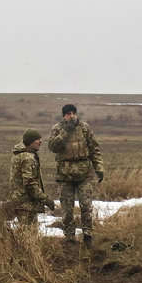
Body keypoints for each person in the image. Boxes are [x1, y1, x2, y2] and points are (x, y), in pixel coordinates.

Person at [47, 103, 105, 246]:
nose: (72, 116)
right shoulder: (57, 129)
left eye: (74, 113)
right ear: (64, 116)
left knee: (86, 206)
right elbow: (53, 147)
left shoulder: (84, 128)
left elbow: (94, 149)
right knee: (67, 209)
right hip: (65, 176)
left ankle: (87, 235)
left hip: (84, 175)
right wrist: (65, 132)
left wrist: (99, 168)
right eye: (68, 114)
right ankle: (70, 238)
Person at [6, 129, 55, 226]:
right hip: (27, 204)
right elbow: (30, 184)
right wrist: (46, 200)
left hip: (20, 202)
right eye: (37, 139)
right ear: (29, 141)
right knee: (28, 235)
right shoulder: (28, 158)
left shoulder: (18, 155)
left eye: (40, 139)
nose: (40, 141)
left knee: (25, 234)